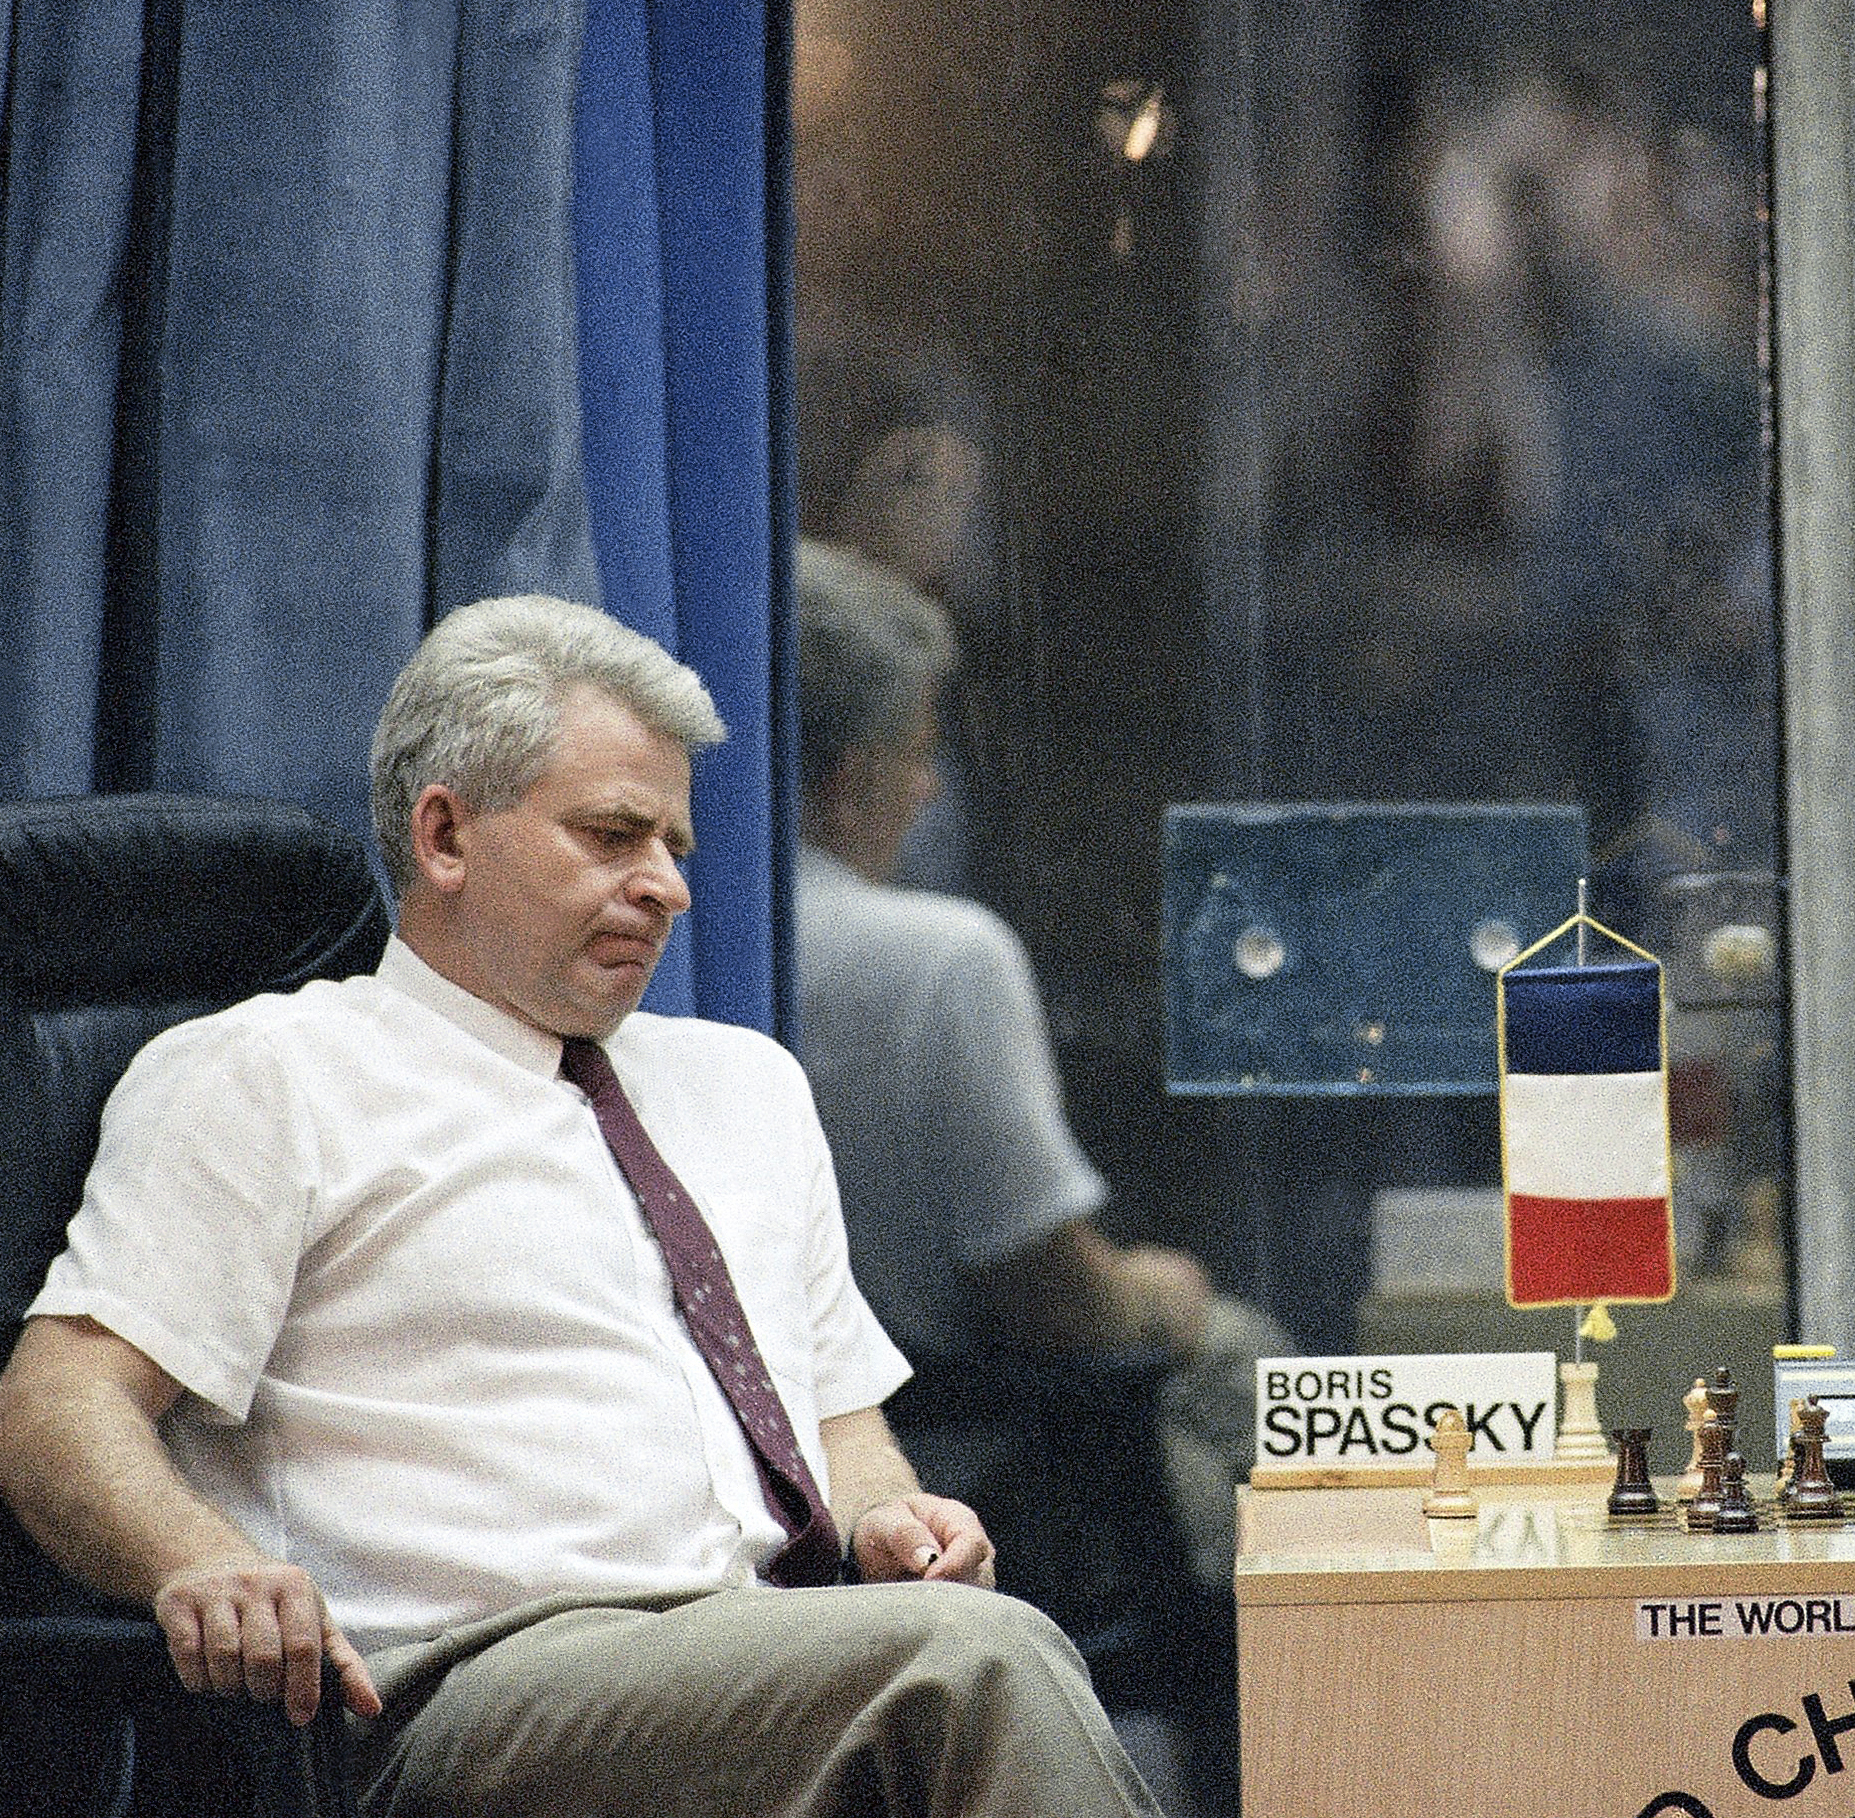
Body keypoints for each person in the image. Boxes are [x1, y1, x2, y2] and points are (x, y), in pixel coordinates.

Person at [0, 595, 1162, 1817]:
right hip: (459, 1691)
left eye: (674, 847)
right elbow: (58, 1404)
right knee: (972, 1664)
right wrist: (201, 1563)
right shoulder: (268, 1076)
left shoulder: (747, 1087)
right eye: (612, 838)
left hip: (760, 1654)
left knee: (951, 1641)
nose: (667, 889)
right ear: (444, 836)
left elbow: (838, 1423)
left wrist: (889, 1519)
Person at [793, 538, 1282, 1593]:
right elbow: (1055, 1301)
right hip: (954, 1456)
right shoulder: (938, 960)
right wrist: (1156, 1296)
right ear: (845, 779)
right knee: (1251, 1377)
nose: (928, 790)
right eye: (916, 754)